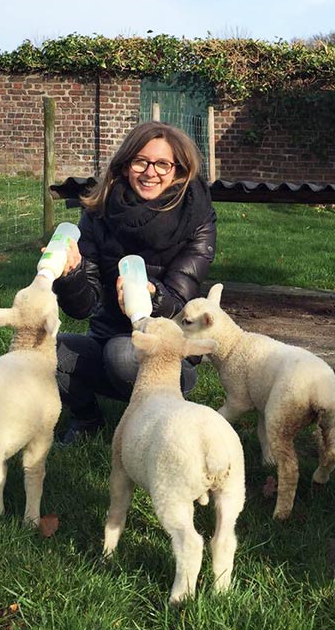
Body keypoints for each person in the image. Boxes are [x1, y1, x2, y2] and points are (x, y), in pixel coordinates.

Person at [49, 121, 216, 445]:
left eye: (163, 164)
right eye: (141, 161)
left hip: (171, 351)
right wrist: (70, 274)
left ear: (179, 170)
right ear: (125, 164)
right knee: (42, 349)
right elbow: (82, 308)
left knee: (123, 354)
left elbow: (182, 299)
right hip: (106, 337)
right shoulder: (98, 213)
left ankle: (160, 430)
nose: (150, 172)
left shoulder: (197, 216)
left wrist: (153, 298)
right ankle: (86, 421)